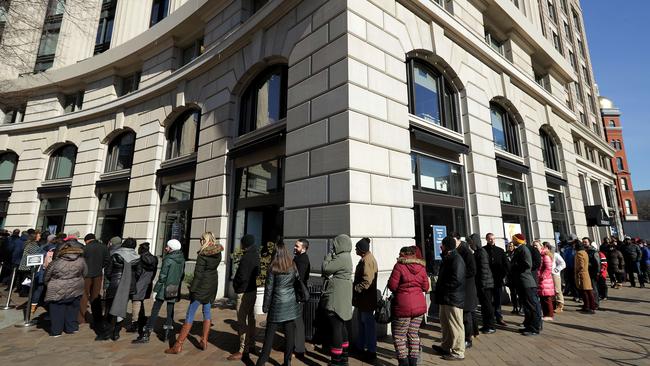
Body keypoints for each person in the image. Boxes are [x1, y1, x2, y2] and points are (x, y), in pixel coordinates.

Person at [166, 232, 223, 354]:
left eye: (201, 239)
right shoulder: (218, 253)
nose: (200, 240)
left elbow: (198, 274)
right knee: (206, 311)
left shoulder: (203, 255)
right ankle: (204, 340)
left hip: (201, 286)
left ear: (205, 240)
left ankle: (178, 345)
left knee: (190, 314)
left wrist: (192, 290)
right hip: (211, 285)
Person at [255, 240, 300, 366]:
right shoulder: (292, 265)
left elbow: (268, 289)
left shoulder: (273, 267)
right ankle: (288, 362)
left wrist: (265, 306)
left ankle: (262, 361)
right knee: (290, 334)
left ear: (276, 253)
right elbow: (296, 282)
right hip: (290, 303)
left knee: (269, 335)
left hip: (277, 303)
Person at [133, 239, 185, 344]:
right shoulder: (182, 259)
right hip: (173, 286)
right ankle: (166, 333)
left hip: (164, 286)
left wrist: (156, 289)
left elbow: (162, 276)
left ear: (171, 248)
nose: (165, 248)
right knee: (170, 310)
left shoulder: (168, 259)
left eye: (167, 246)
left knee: (155, 310)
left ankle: (146, 334)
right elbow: (182, 275)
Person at [388, 246, 429, 366]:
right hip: (419, 307)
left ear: (404, 254)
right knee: (413, 334)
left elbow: (392, 286)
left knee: (399, 335)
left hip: (403, 307)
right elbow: (425, 287)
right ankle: (413, 362)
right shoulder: (421, 267)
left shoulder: (399, 266)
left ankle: (403, 362)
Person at [97, 237, 140, 341]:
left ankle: (106, 332)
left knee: (109, 308)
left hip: (115, 285)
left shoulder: (116, 255)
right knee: (122, 308)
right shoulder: (137, 258)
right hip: (128, 286)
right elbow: (139, 273)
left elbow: (108, 271)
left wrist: (113, 279)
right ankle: (116, 332)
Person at [321, 234, 353, 366]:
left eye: (335, 244)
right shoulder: (347, 256)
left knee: (336, 327)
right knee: (342, 326)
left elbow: (326, 269)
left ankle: (336, 361)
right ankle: (344, 358)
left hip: (336, 297)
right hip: (344, 295)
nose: (334, 246)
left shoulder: (341, 257)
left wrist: (328, 256)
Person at [227, 234, 260, 361]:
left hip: (244, 292)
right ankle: (251, 345)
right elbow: (257, 273)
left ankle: (242, 350)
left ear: (245, 244)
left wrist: (236, 285)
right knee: (251, 318)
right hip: (252, 290)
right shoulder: (256, 255)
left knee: (242, 321)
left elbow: (241, 276)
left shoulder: (246, 257)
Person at [433, 235, 466, 361]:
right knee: (445, 324)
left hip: (453, 298)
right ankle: (446, 346)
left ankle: (458, 351)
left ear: (446, 246)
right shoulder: (448, 258)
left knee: (456, 325)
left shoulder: (456, 259)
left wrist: (444, 287)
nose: (440, 247)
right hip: (446, 297)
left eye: (442, 245)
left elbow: (456, 280)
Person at [44, 242, 87, 337]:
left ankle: (56, 331)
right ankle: (71, 328)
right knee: (72, 308)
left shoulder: (56, 262)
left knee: (56, 310)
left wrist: (49, 283)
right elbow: (85, 272)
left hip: (57, 287)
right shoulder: (81, 260)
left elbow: (47, 275)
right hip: (76, 286)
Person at [352, 237, 378, 361]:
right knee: (363, 324)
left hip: (366, 299)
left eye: (357, 248)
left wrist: (357, 288)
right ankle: (361, 347)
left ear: (362, 250)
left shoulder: (367, 261)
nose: (355, 250)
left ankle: (371, 351)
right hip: (365, 300)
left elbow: (367, 281)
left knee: (367, 325)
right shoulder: (367, 258)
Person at [510, 234, 541, 336]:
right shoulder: (519, 249)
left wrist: (514, 265)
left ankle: (534, 328)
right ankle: (528, 326)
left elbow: (528, 264)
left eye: (514, 239)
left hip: (526, 281)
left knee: (531, 305)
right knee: (526, 306)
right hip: (521, 282)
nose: (512, 241)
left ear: (517, 240)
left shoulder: (524, 249)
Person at [80, 233, 110, 328]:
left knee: (84, 295)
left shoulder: (85, 248)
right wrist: (100, 266)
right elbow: (107, 260)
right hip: (98, 274)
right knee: (96, 296)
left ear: (87, 240)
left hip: (86, 275)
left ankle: (81, 318)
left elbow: (81, 261)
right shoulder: (104, 247)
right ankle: (97, 318)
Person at [129, 242, 158, 335]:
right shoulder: (154, 259)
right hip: (147, 283)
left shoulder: (140, 259)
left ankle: (135, 323)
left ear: (141, 250)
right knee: (140, 301)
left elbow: (137, 273)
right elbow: (154, 272)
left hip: (139, 283)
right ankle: (142, 319)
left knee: (136, 302)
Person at [469, 233, 495, 334]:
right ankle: (486, 325)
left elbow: (484, 269)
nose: (470, 245)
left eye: (471, 243)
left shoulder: (481, 252)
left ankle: (491, 326)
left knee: (487, 306)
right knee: (484, 306)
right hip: (482, 284)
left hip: (486, 285)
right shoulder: (477, 252)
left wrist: (483, 284)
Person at [455, 234, 478, 347]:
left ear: (458, 239)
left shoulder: (465, 251)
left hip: (467, 287)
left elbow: (472, 270)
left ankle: (468, 339)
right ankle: (472, 333)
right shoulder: (457, 251)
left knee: (466, 314)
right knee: (467, 313)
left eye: (453, 240)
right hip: (462, 287)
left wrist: (460, 276)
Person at [483, 233, 508, 326]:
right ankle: (489, 318)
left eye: (493, 238)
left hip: (497, 280)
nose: (492, 240)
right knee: (488, 300)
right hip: (487, 280)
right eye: (490, 239)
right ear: (486, 239)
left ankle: (498, 317)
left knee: (497, 300)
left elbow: (506, 265)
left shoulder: (500, 251)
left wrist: (503, 275)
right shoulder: (483, 250)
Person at [293, 238, 310, 359]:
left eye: (297, 246)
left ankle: (299, 349)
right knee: (295, 321)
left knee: (298, 322)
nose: (294, 247)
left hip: (298, 295)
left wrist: (298, 296)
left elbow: (300, 279)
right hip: (296, 294)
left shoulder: (303, 260)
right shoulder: (299, 258)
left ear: (303, 248)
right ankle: (295, 346)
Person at [18, 230, 43, 315]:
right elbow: (37, 254)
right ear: (35, 236)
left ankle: (29, 301)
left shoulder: (30, 244)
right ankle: (29, 305)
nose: (40, 237)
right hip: (29, 268)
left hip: (27, 267)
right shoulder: (32, 245)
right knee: (30, 285)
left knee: (29, 285)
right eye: (39, 236)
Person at [575, 238, 596, 314]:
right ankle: (587, 306)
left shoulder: (580, 253)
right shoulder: (584, 252)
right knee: (587, 291)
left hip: (582, 274)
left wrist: (578, 271)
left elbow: (581, 264)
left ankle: (589, 307)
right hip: (585, 273)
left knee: (586, 291)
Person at [535, 241, 554, 321]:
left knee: (547, 298)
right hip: (540, 279)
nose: (535, 247)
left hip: (545, 280)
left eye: (536, 245)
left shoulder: (545, 255)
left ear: (541, 246)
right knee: (543, 298)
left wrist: (542, 276)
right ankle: (546, 314)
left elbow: (548, 268)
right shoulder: (538, 255)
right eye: (533, 245)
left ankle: (550, 315)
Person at [545, 242, 565, 313]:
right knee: (551, 290)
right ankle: (553, 304)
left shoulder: (555, 254)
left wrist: (556, 269)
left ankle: (560, 305)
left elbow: (563, 263)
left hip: (555, 274)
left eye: (546, 247)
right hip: (547, 275)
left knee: (557, 290)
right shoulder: (544, 255)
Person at [505, 241, 520, 314]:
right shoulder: (506, 254)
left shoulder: (517, 253)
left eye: (511, 246)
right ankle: (515, 307)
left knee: (519, 292)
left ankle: (520, 307)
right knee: (512, 293)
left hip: (517, 276)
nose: (510, 247)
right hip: (510, 276)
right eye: (509, 246)